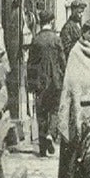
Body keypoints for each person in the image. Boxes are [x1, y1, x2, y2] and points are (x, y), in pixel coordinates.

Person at [57, 19, 90, 178]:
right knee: (71, 136)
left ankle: (77, 174)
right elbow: (74, 77)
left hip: (86, 97)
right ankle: (67, 175)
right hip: (74, 97)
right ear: (84, 33)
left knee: (82, 135)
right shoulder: (76, 51)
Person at [26, 10, 65, 157]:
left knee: (41, 113)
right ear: (52, 22)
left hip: (40, 83)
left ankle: (42, 147)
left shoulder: (36, 40)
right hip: (55, 82)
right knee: (55, 110)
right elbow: (62, 61)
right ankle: (51, 134)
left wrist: (30, 84)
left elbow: (31, 64)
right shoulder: (56, 39)